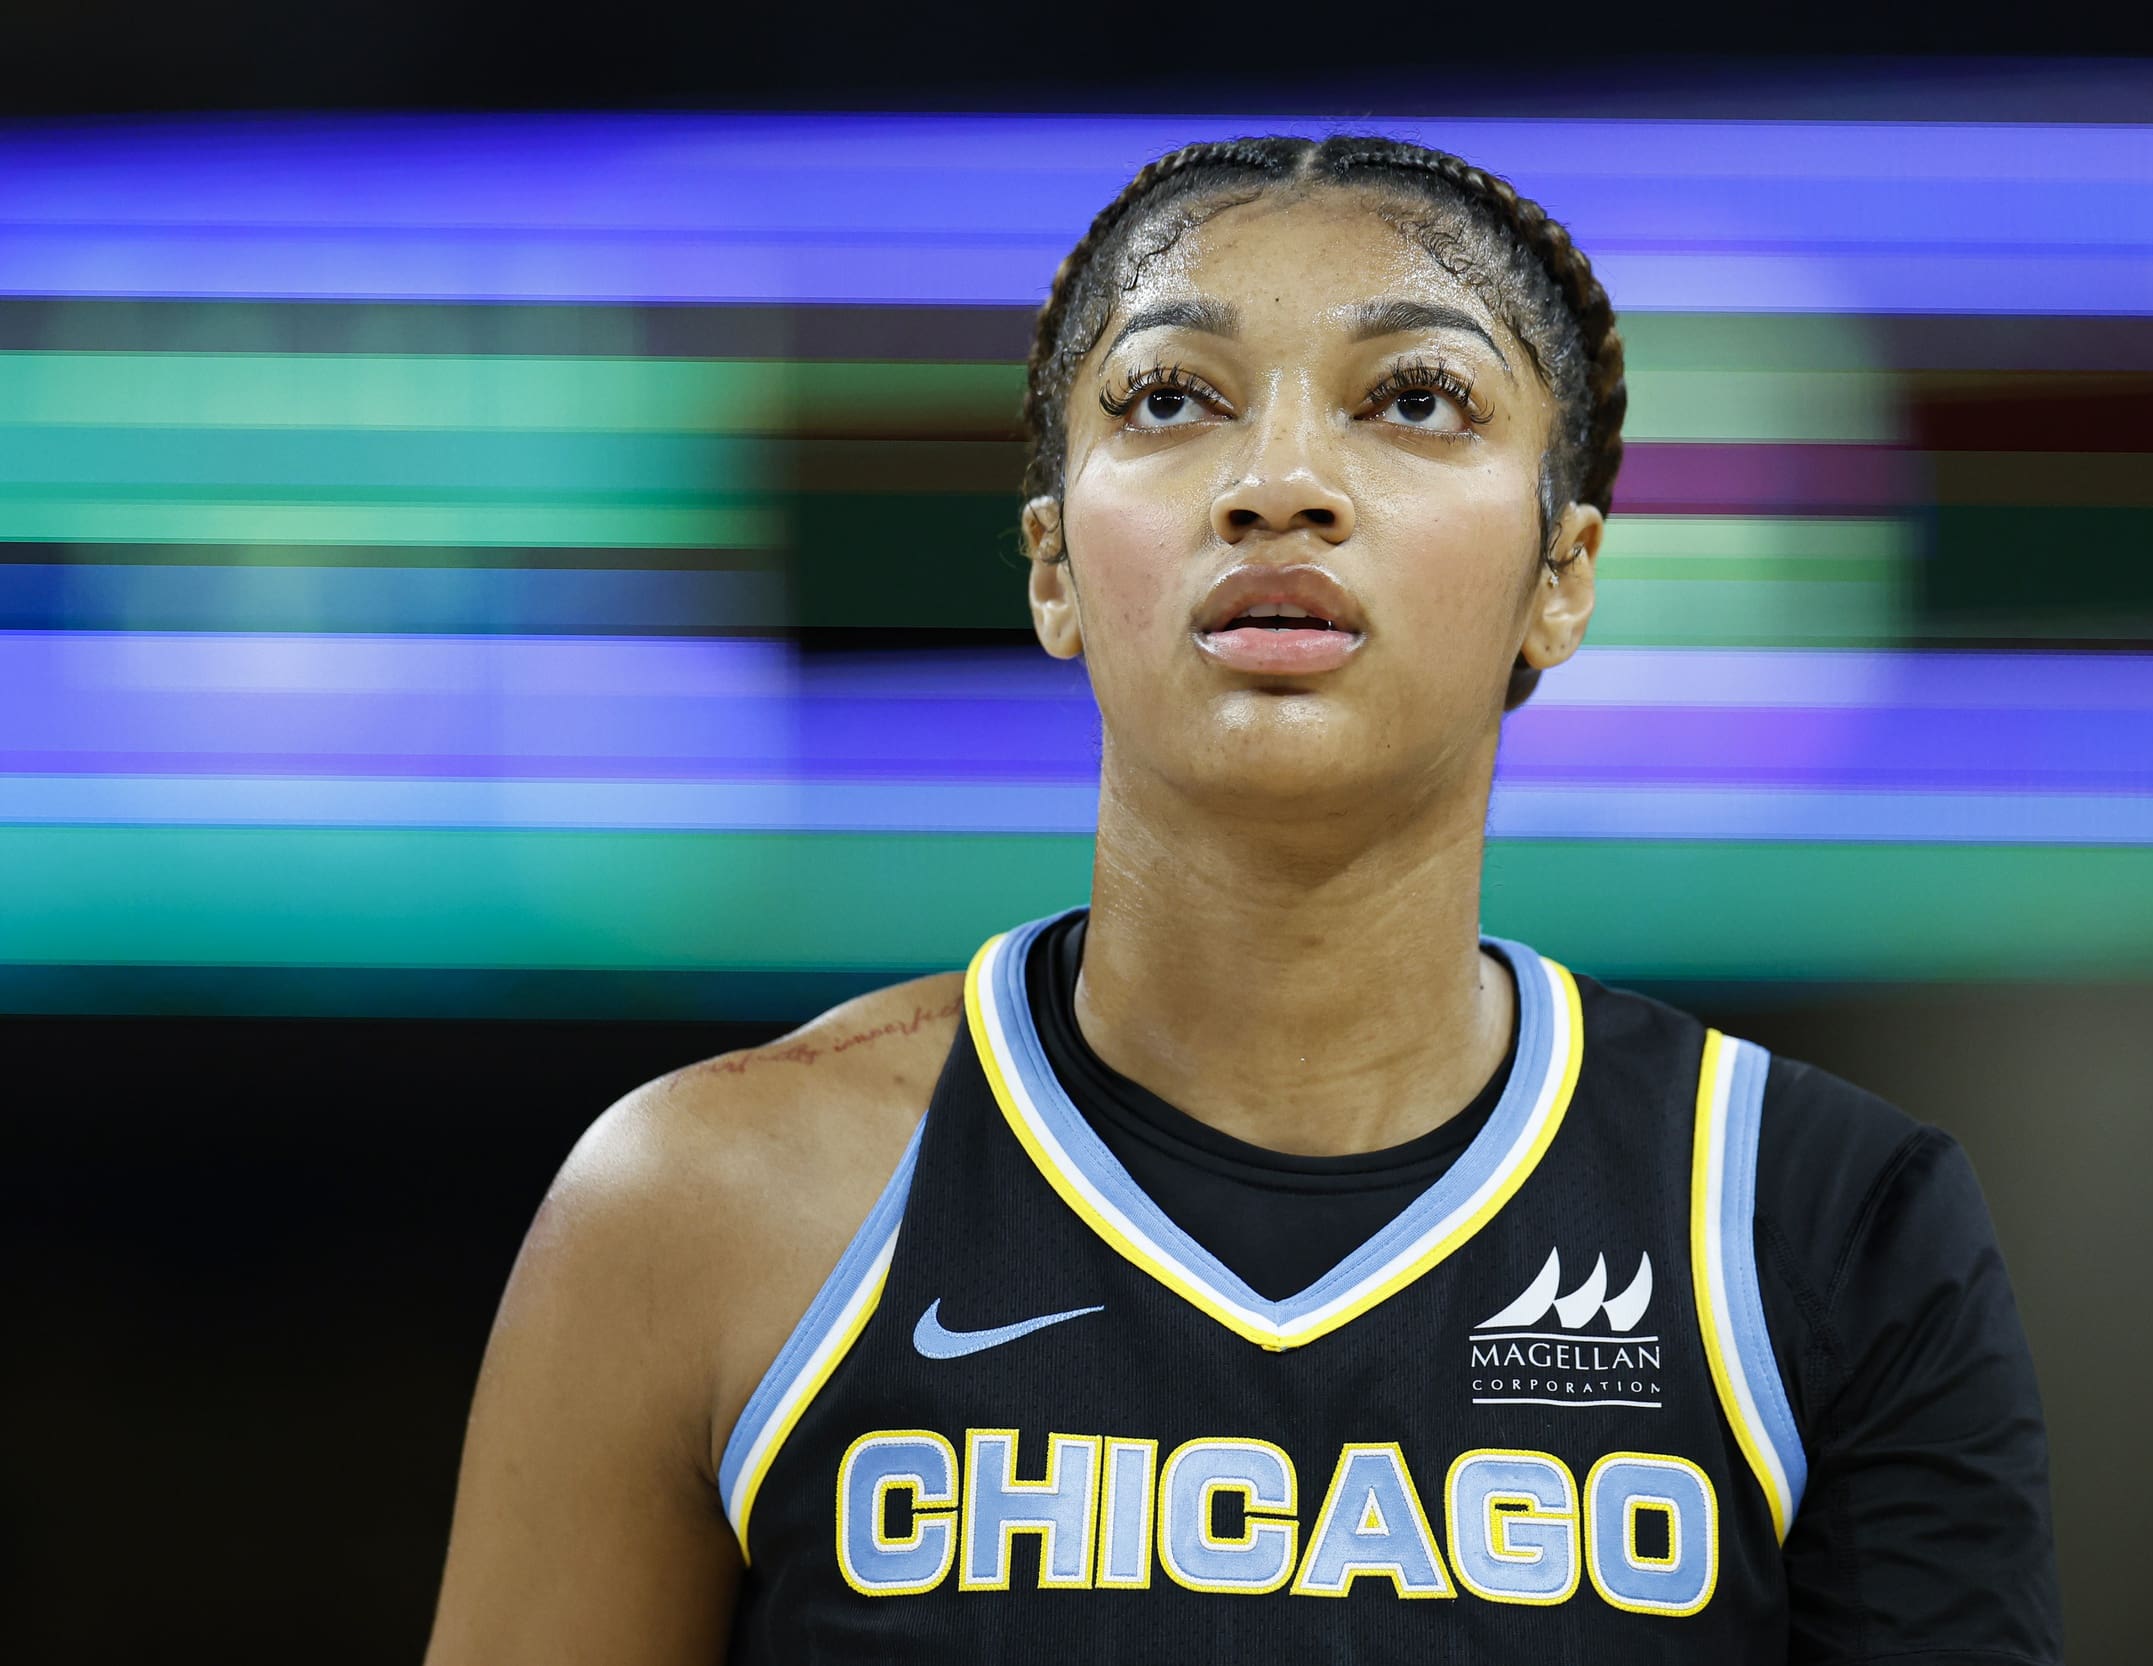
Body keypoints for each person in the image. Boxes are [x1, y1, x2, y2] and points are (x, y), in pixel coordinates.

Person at [424, 134, 2062, 1663]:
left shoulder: (1814, 1229)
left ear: (1561, 577)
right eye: (1169, 399)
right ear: (1053, 563)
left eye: (1414, 400)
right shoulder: (696, 1209)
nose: (1279, 480)